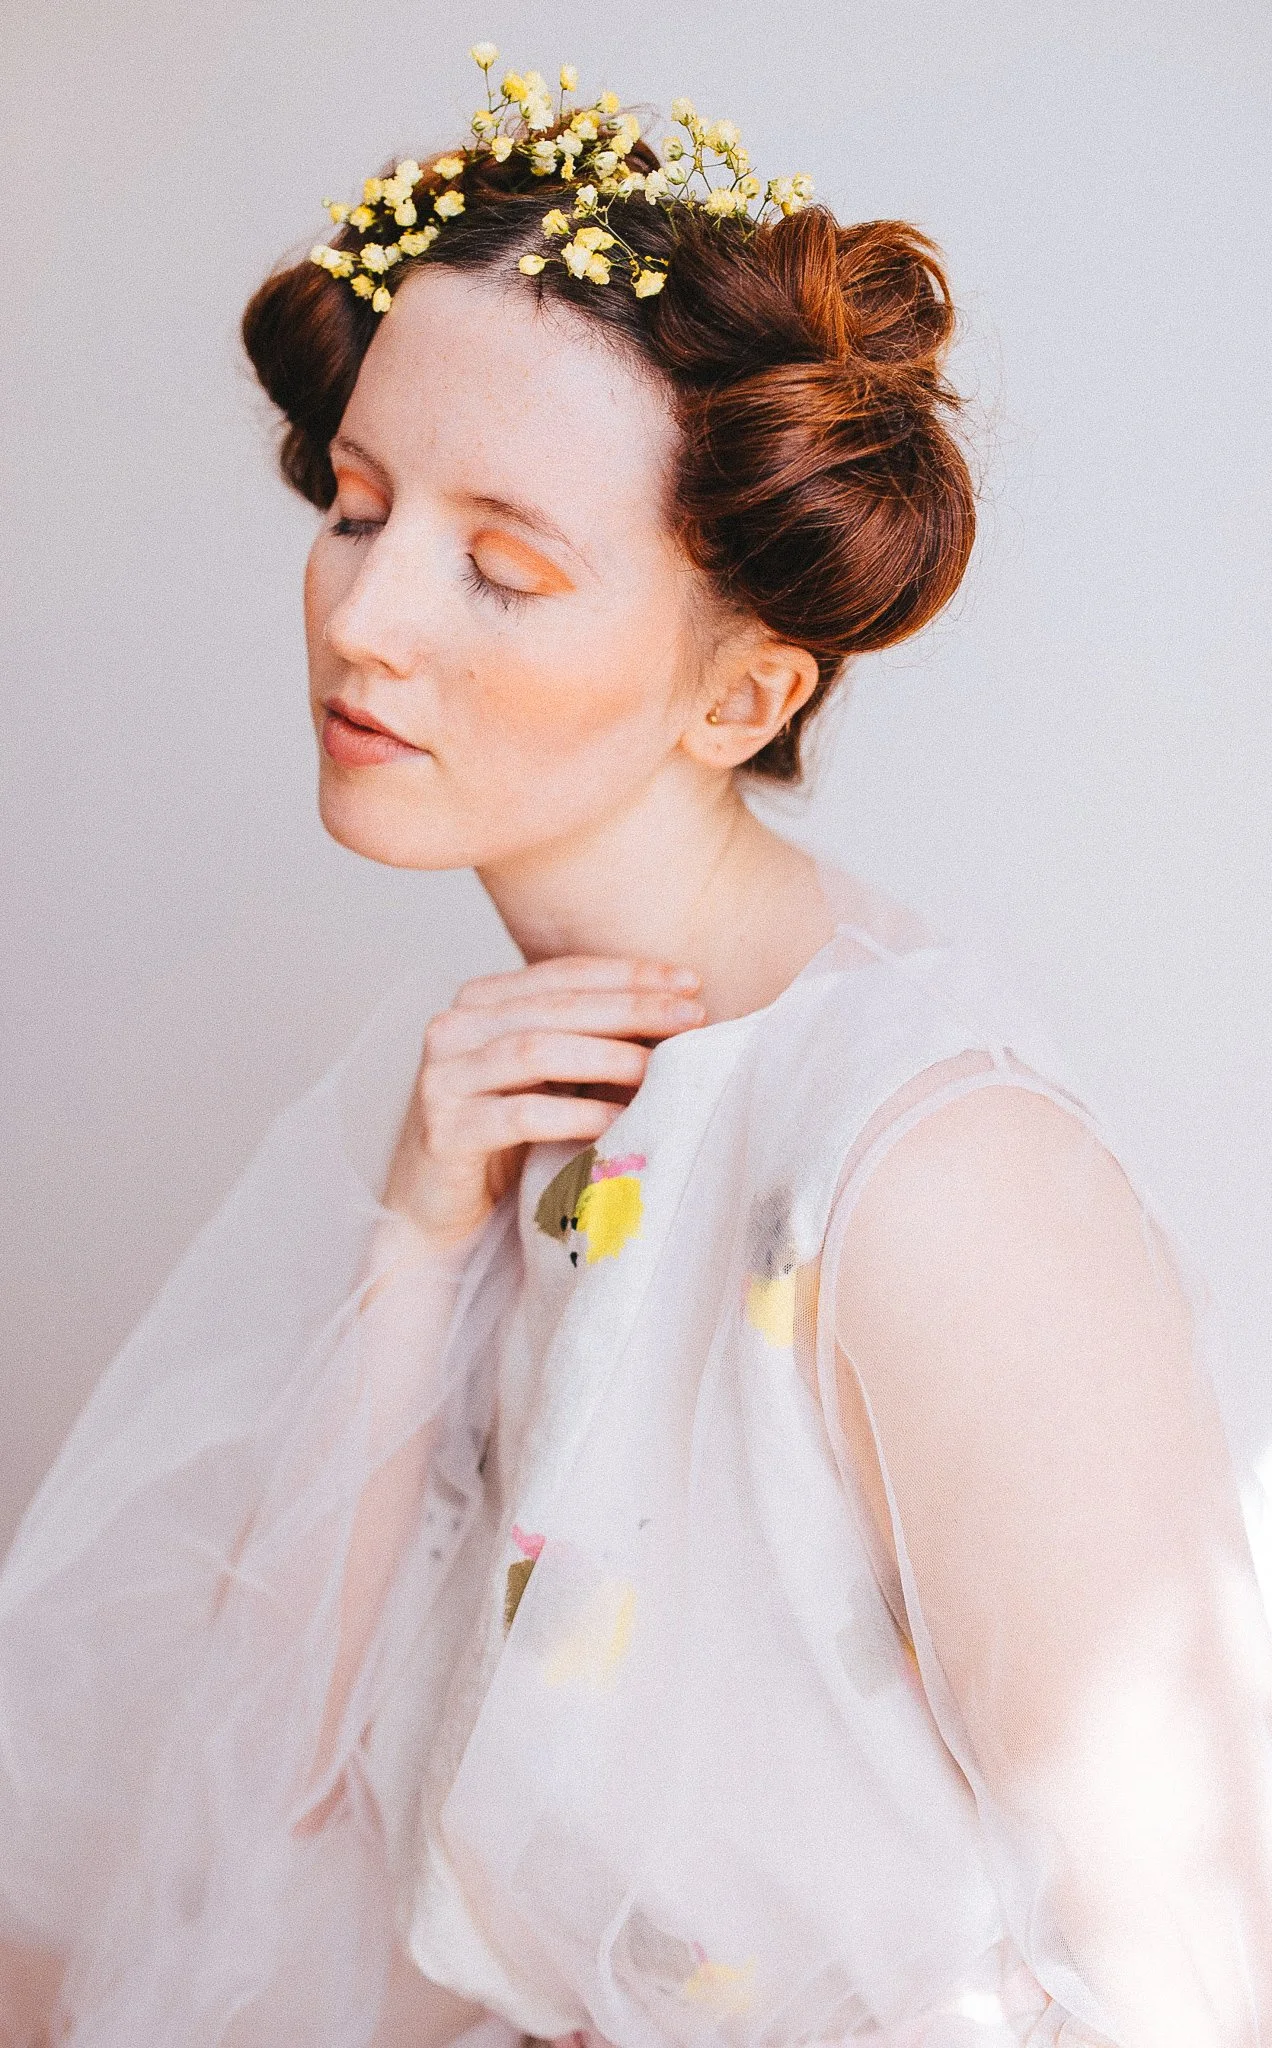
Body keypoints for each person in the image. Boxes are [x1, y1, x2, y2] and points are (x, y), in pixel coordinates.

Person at [2, 46, 1271, 2048]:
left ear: (739, 690)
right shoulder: (484, 1093)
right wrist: (420, 1249)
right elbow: (265, 1809)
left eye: (501, 568)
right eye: (353, 505)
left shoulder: (933, 1174)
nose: (365, 617)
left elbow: (1187, 1980)